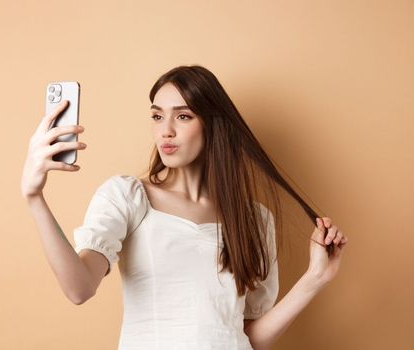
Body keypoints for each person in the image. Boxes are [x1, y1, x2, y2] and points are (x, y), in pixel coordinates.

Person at [20, 65, 349, 350]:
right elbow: (78, 288)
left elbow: (247, 338)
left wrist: (315, 278)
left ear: (212, 124)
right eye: (157, 116)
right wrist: (35, 198)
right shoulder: (128, 197)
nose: (166, 130)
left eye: (183, 116)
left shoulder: (254, 219)